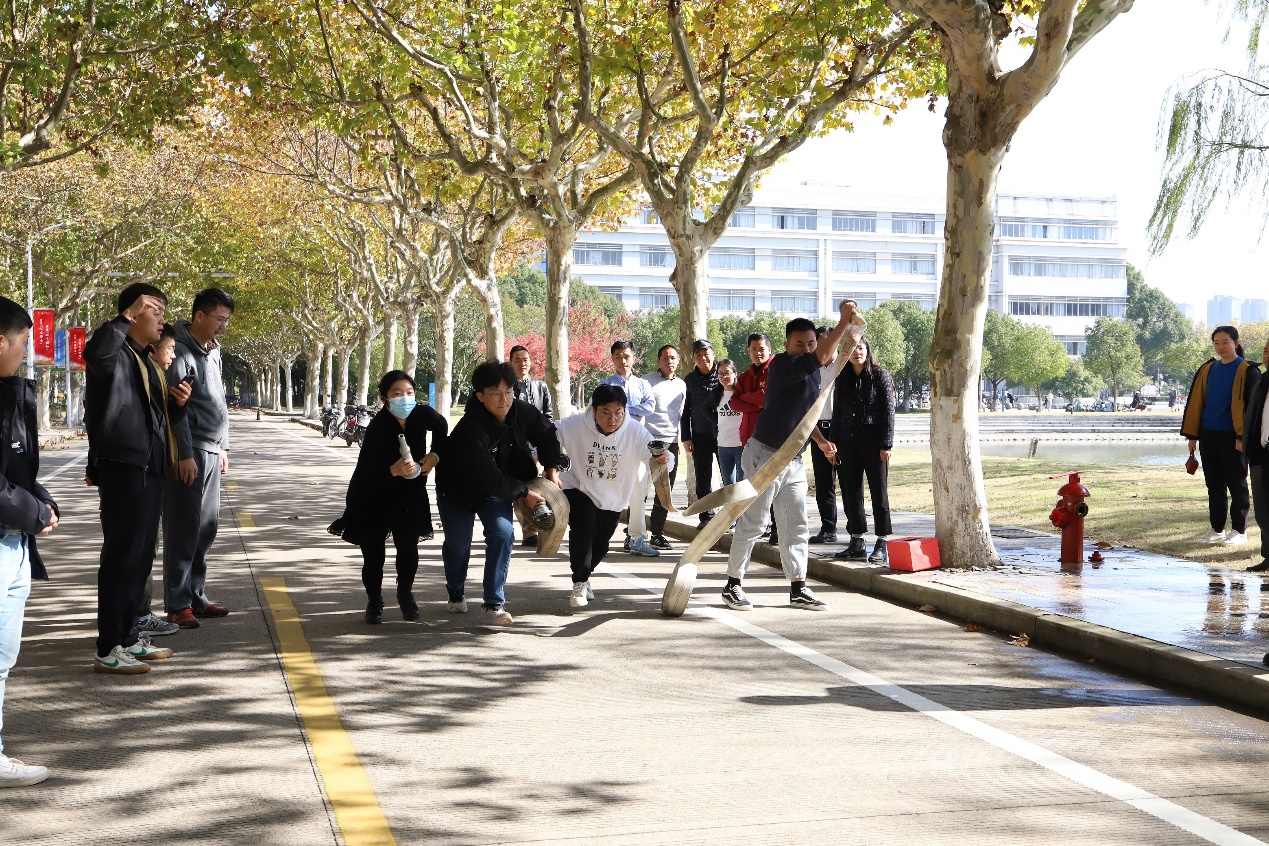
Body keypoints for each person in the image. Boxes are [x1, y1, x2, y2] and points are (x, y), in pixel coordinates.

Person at [722, 301, 857, 612]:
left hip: (794, 460)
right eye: (800, 343)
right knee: (754, 523)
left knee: (796, 525)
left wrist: (820, 441)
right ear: (786, 345)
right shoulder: (783, 366)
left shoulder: (813, 374)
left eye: (811, 343)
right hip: (765, 455)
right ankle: (732, 584)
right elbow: (823, 355)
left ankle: (798, 587)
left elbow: (805, 417)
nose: (806, 348)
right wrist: (843, 323)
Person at [85, 283, 190, 674]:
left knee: (141, 558)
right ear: (134, 311)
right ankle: (109, 646)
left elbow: (157, 419)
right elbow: (95, 355)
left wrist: (178, 406)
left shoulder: (146, 360)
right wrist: (124, 317)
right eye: (155, 311)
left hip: (151, 466)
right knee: (123, 557)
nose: (162, 320)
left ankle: (128, 637)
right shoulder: (115, 352)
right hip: (125, 465)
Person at [435, 361, 563, 625]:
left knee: (503, 534)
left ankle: (494, 603)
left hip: (497, 487)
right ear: (480, 395)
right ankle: (455, 590)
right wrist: (524, 493)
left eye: (508, 392)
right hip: (458, 489)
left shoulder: (522, 411)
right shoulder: (471, 428)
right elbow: (487, 476)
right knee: (459, 545)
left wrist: (552, 466)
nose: (504, 400)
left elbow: (547, 434)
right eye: (495, 393)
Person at [332, 370, 447, 623]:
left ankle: (405, 594)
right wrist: (392, 471)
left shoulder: (421, 414)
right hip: (374, 495)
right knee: (373, 555)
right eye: (397, 393)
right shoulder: (378, 427)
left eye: (409, 393)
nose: (404, 398)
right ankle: (374, 600)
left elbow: (442, 425)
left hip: (409, 494)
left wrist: (435, 455)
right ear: (384, 399)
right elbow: (366, 473)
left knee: (408, 548)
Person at [0, 297, 59, 787]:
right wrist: (35, 511)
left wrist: (41, 498)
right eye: (23, 342)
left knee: (3, 656)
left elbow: (17, 470)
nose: (27, 352)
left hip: (14, 541)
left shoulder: (11, 392)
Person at [557, 385, 673, 608]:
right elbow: (545, 437)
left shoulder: (635, 431)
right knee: (583, 526)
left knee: (601, 545)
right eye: (606, 413)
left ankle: (585, 576)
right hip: (577, 486)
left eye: (618, 413)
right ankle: (579, 582)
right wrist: (549, 464)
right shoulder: (574, 425)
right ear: (594, 410)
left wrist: (664, 458)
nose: (612, 420)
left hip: (613, 497)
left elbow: (656, 455)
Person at [162, 287, 234, 629]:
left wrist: (224, 446)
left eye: (227, 320)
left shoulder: (213, 351)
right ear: (199, 315)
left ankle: (196, 596)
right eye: (219, 318)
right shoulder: (179, 352)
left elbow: (218, 402)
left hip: (212, 449)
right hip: (191, 452)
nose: (223, 326)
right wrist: (185, 454)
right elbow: (176, 408)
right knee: (183, 528)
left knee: (206, 528)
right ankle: (178, 604)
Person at [1181, 325, 1261, 546]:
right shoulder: (1208, 369)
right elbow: (1197, 403)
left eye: (1225, 342)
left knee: (1237, 483)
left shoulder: (1248, 370)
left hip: (1234, 436)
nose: (1220, 347)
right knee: (1214, 484)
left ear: (1236, 343)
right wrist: (1193, 436)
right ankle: (1217, 529)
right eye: (1216, 343)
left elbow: (1253, 409)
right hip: (1209, 434)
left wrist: (1242, 438)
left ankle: (1239, 531)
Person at [830, 338, 897, 564]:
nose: (857, 352)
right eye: (852, 348)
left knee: (879, 491)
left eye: (861, 347)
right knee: (851, 491)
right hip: (847, 440)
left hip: (873, 440)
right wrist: (833, 444)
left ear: (867, 350)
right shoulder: (842, 377)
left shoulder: (880, 375)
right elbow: (837, 413)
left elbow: (888, 411)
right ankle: (856, 539)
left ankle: (882, 541)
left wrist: (886, 444)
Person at [599, 341, 658, 556]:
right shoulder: (605, 385)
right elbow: (599, 411)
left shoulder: (643, 384)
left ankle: (637, 538)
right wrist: (632, 411)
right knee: (605, 490)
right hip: (610, 445)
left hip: (637, 445)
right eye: (618, 356)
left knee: (638, 492)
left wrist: (622, 409)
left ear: (633, 358)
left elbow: (650, 407)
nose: (623, 361)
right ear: (612, 359)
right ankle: (599, 536)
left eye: (626, 356)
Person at [732, 332, 777, 544]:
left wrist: (748, 400)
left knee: (773, 485)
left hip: (771, 438)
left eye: (762, 349)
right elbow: (735, 403)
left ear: (769, 349)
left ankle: (776, 528)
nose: (758, 353)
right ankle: (757, 527)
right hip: (749, 438)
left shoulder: (775, 370)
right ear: (748, 351)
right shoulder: (745, 376)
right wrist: (756, 403)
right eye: (754, 349)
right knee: (751, 485)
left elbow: (768, 397)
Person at [506, 344, 552, 547]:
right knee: (518, 486)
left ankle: (531, 528)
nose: (522, 364)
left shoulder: (541, 386)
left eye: (525, 360)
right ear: (511, 363)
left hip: (537, 444)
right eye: (517, 360)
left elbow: (548, 415)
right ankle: (524, 530)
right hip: (514, 445)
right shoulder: (507, 387)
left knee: (533, 486)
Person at [645, 345, 686, 550]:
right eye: (665, 358)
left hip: (671, 442)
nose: (669, 361)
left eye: (673, 358)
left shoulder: (681, 385)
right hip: (648, 441)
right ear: (658, 360)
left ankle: (657, 534)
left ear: (678, 360)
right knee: (640, 490)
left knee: (664, 492)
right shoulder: (646, 382)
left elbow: (681, 414)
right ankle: (633, 533)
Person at [680, 339, 720, 527]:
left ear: (713, 354)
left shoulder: (724, 373)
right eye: (698, 355)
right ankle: (706, 517)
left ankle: (733, 517)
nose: (703, 358)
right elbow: (685, 411)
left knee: (730, 478)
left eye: (706, 354)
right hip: (699, 435)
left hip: (724, 436)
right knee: (703, 480)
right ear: (693, 358)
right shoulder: (689, 380)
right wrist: (686, 437)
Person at [809, 326, 839, 544]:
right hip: (818, 429)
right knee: (823, 482)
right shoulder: (811, 370)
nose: (826, 347)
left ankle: (856, 534)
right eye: (821, 344)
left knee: (848, 481)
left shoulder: (845, 367)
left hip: (842, 429)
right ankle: (828, 529)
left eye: (830, 342)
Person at [1245, 341, 1269, 572]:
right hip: (1260, 453)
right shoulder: (1261, 382)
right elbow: (1251, 418)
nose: (1267, 355)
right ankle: (1268, 556)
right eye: (1265, 351)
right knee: (1262, 508)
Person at [712, 359, 744, 485]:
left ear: (735, 373)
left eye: (727, 373)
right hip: (723, 444)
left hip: (741, 444)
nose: (724, 377)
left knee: (742, 483)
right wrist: (717, 422)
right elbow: (705, 409)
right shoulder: (716, 393)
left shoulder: (742, 392)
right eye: (720, 374)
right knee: (728, 484)